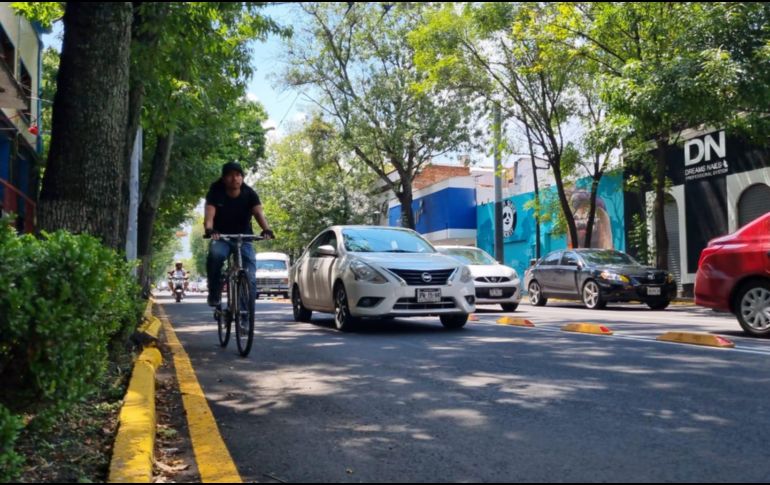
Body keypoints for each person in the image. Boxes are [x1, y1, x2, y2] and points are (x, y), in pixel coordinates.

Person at [205, 162, 275, 307]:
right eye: (230, 175)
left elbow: (258, 213)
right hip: (221, 237)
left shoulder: (249, 193)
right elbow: (209, 216)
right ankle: (214, 291)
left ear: (242, 178)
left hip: (244, 238)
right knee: (215, 256)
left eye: (238, 175)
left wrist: (266, 229)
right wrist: (210, 230)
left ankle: (244, 316)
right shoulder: (215, 192)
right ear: (224, 178)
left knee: (250, 276)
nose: (234, 178)